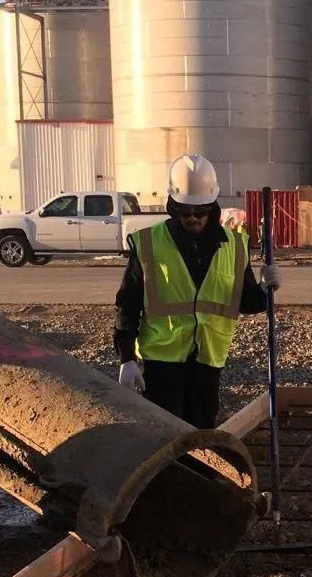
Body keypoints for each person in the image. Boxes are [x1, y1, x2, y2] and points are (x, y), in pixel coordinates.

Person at [114, 154, 281, 428]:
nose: (193, 218)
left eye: (200, 212)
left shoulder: (234, 246)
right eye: (185, 212)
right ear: (173, 206)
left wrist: (265, 287)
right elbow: (127, 304)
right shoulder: (149, 243)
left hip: (208, 360)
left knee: (201, 433)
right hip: (161, 361)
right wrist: (127, 358)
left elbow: (247, 302)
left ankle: (198, 472)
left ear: (212, 207)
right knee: (165, 434)